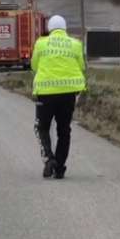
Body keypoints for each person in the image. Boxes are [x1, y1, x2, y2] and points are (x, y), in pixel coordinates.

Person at [31, 15, 86, 179]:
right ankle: (60, 167)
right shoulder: (75, 44)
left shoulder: (41, 43)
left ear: (49, 28)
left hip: (45, 94)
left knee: (41, 127)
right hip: (68, 94)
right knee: (64, 130)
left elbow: (34, 65)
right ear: (65, 28)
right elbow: (82, 66)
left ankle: (49, 159)